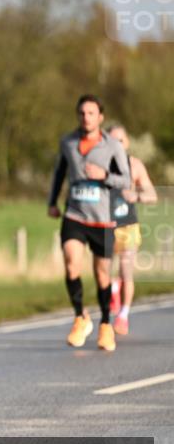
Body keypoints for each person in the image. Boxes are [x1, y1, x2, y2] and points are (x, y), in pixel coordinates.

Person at [47, 94, 130, 352]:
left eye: (91, 113)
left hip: (103, 219)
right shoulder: (68, 143)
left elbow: (125, 180)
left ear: (100, 117)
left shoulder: (112, 146)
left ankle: (105, 324)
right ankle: (80, 317)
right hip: (74, 214)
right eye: (82, 113)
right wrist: (52, 202)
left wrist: (104, 175)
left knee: (101, 273)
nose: (86, 117)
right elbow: (59, 172)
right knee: (72, 263)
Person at [106, 124, 158, 335]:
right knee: (105, 270)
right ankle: (113, 289)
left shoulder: (135, 166)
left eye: (120, 140)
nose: (117, 144)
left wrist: (135, 196)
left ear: (127, 143)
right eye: (111, 140)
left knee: (126, 270)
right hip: (104, 226)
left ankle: (123, 315)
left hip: (128, 225)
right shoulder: (99, 165)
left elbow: (152, 196)